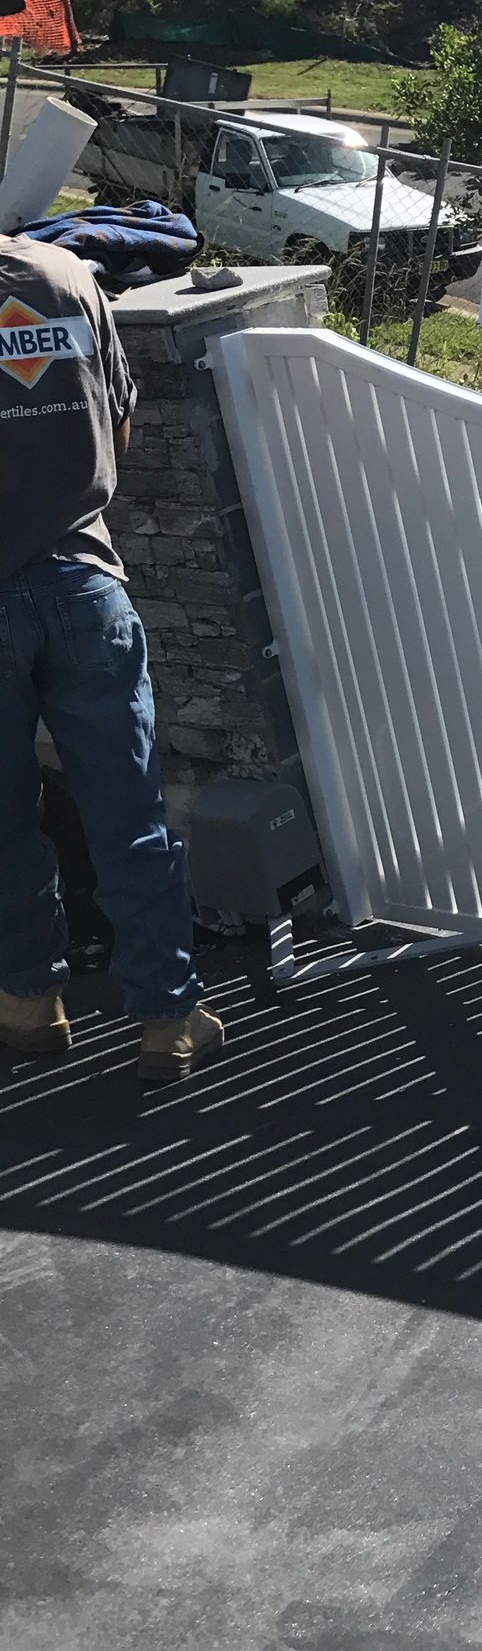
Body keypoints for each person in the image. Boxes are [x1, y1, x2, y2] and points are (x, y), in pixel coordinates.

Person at [0, 231, 222, 1081]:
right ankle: (168, 1017)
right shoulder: (64, 277)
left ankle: (27, 1003)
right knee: (128, 812)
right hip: (82, 584)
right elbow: (118, 428)